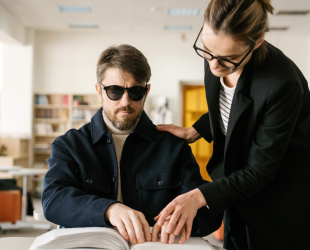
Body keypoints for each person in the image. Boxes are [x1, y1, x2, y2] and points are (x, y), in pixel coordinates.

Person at [155, 0, 310, 250]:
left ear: (257, 42)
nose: (214, 65)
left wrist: (199, 196)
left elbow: (259, 171)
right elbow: (232, 107)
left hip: (278, 205)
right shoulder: (217, 53)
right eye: (206, 51)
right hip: (236, 192)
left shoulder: (282, 84)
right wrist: (195, 130)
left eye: (228, 60)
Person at [41, 44, 220, 245]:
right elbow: (53, 200)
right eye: (115, 91)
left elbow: (208, 212)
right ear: (99, 91)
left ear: (146, 91)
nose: (126, 101)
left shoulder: (173, 147)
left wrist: (184, 220)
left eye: (135, 92)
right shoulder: (69, 145)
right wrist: (108, 209)